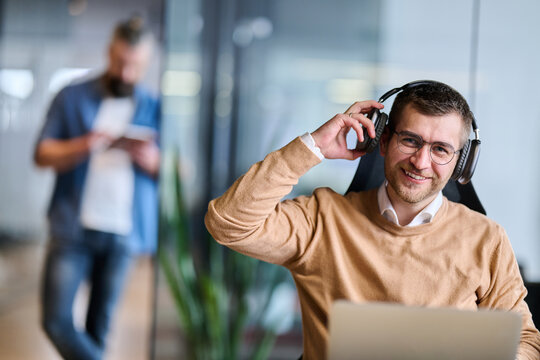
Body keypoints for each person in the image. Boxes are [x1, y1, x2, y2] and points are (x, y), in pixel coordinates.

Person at [205, 81, 540, 359]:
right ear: (383, 141)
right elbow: (228, 222)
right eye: (410, 140)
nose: (421, 162)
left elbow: (526, 341)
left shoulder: (487, 239)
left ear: (460, 163)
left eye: (440, 149)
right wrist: (313, 147)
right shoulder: (322, 219)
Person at [34, 16, 160, 360]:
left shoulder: (154, 106)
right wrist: (83, 144)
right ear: (109, 52)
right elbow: (42, 153)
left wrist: (152, 160)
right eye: (120, 62)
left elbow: (178, 171)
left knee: (98, 329)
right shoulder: (72, 96)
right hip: (72, 227)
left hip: (124, 234)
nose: (126, 73)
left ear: (146, 63)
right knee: (56, 321)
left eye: (135, 66)